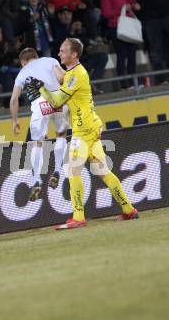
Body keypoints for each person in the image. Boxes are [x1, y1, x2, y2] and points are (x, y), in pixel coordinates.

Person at [27, 38, 139, 229]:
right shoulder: (73, 73)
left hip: (84, 131)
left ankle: (78, 217)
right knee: (103, 171)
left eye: (63, 51)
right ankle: (128, 209)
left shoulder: (75, 75)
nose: (60, 53)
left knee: (73, 171)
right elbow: (62, 81)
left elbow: (56, 101)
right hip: (92, 126)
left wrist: (41, 89)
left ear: (74, 55)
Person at [10, 47, 68, 201]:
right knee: (61, 134)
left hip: (39, 104)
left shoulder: (22, 73)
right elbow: (62, 77)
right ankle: (57, 170)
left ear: (23, 62)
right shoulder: (50, 61)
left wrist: (15, 121)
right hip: (59, 98)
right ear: (36, 56)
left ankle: (36, 179)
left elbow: (14, 100)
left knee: (37, 144)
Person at [101, 0, 141, 89]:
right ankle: (124, 84)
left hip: (130, 27)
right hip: (116, 28)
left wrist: (135, 6)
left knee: (132, 55)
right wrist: (122, 9)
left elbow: (134, 4)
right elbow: (106, 13)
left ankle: (133, 82)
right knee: (122, 55)